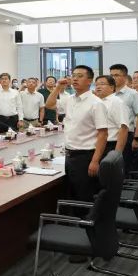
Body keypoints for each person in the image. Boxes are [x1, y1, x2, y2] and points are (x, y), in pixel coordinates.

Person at [44, 67, 108, 200]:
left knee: (83, 195)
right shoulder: (70, 99)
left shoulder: (96, 103)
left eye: (80, 76)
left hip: (86, 156)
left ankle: (85, 214)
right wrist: (57, 87)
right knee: (71, 194)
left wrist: (95, 161)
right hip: (69, 155)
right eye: (73, 76)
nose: (75, 79)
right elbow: (49, 105)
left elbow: (103, 134)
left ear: (89, 81)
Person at [109, 64, 138, 170]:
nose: (113, 78)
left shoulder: (133, 94)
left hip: (126, 134)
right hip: (109, 136)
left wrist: (137, 138)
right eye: (111, 75)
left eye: (116, 75)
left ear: (125, 77)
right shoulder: (108, 93)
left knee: (122, 166)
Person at [95, 75, 130, 155]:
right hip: (96, 144)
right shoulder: (97, 102)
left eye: (102, 84)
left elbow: (123, 128)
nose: (98, 87)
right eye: (96, 85)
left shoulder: (117, 102)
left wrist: (117, 153)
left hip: (110, 145)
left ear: (112, 88)